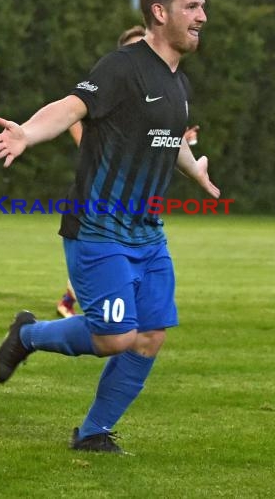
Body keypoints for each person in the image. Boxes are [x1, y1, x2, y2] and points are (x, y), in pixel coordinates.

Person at [0, 0, 220, 454]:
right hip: (99, 227)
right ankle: (27, 335)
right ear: (160, 13)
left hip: (148, 232)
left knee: (150, 336)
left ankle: (92, 433)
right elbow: (72, 107)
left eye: (202, 7)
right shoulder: (122, 67)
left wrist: (193, 170)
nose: (202, 16)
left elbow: (164, 137)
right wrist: (27, 132)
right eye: (192, 7)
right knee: (117, 338)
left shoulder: (178, 82)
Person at [57, 23, 200, 318]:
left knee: (145, 329)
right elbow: (72, 114)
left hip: (143, 218)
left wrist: (184, 149)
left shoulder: (171, 88)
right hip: (100, 211)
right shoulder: (115, 80)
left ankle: (76, 306)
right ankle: (63, 310)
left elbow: (159, 136)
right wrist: (92, 146)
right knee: (115, 329)